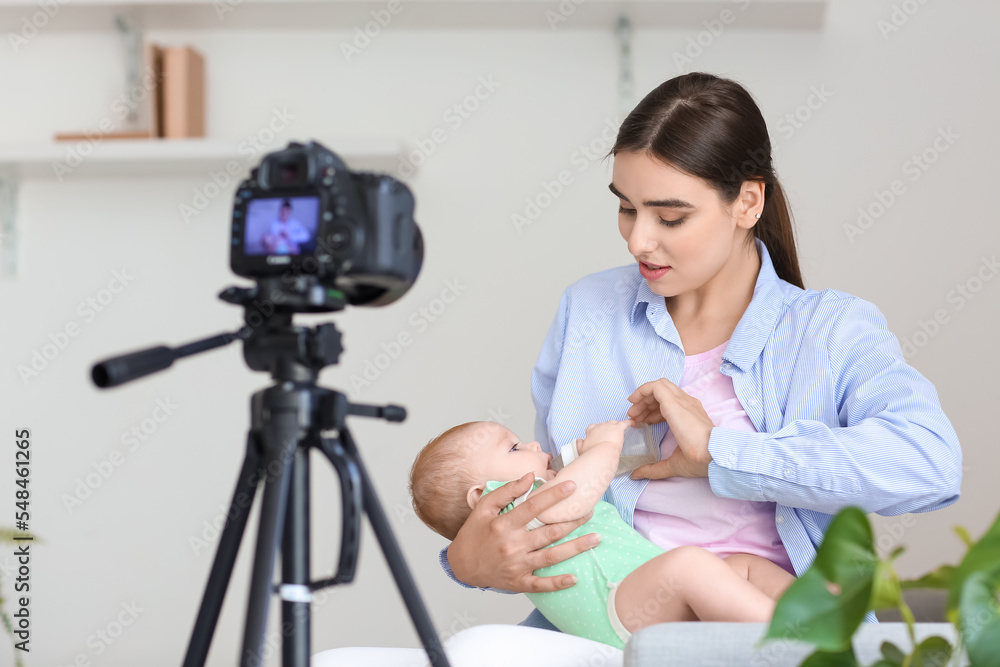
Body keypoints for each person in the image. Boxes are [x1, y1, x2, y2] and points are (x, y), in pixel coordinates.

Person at [313, 71, 963, 665]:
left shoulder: (831, 328)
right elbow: (544, 488)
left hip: (764, 623)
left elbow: (931, 465)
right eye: (626, 206)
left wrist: (723, 452)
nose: (637, 239)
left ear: (747, 203)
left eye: (670, 215)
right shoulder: (589, 311)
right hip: (614, 631)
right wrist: (468, 557)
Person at [408, 418, 796, 650]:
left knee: (740, 567)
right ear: (484, 496)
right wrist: (606, 447)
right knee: (690, 565)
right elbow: (569, 497)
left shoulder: (530, 507)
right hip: (620, 611)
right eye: (513, 448)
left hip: (645, 600)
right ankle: (790, 649)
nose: (533, 445)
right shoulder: (510, 512)